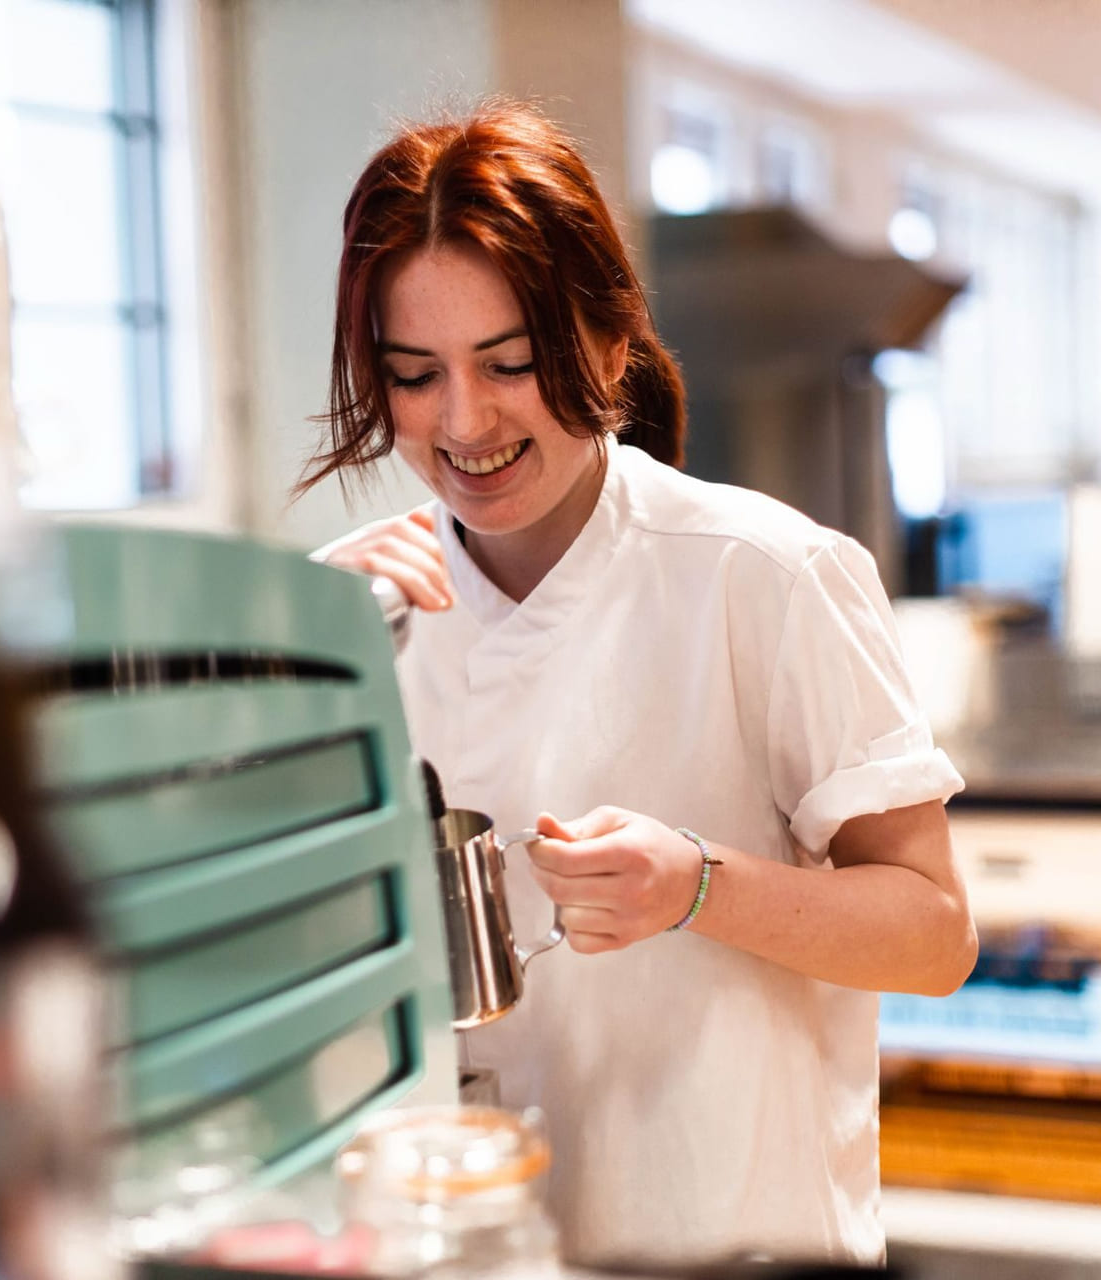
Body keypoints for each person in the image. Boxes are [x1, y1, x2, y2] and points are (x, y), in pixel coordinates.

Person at [305, 101, 976, 1268]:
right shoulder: (344, 612)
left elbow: (934, 933)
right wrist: (298, 673)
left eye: (510, 363)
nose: (464, 422)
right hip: (459, 1239)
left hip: (733, 1230)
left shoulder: (765, 574)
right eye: (415, 376)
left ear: (607, 345)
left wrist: (701, 887)